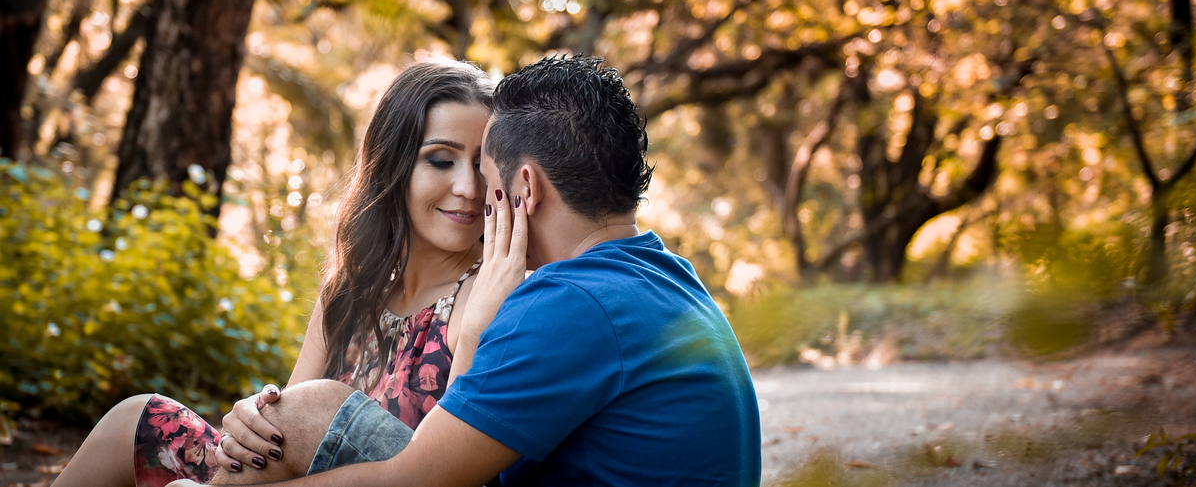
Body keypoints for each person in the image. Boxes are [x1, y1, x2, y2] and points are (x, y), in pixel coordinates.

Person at [170, 54, 761, 487]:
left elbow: (421, 478)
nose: (476, 193)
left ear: (524, 186)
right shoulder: (661, 278)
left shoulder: (572, 302)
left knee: (309, 412)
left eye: (486, 173)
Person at [54, 58, 495, 487]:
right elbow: (287, 431)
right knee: (135, 419)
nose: (469, 188)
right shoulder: (352, 291)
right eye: (441, 160)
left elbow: (447, 471)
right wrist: (257, 417)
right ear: (392, 166)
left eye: (483, 164)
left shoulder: (487, 296)